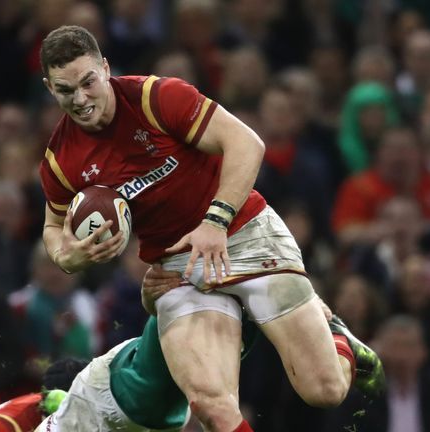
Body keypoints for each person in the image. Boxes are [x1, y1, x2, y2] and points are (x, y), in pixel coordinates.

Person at [38, 25, 384, 432]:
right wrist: (67, 256)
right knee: (210, 405)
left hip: (244, 232)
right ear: (49, 87)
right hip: (177, 269)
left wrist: (215, 220)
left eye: (88, 82)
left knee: (324, 390)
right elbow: (53, 226)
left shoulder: (155, 98)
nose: (80, 99)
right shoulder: (61, 160)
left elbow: (246, 143)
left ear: (106, 68)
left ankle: (337, 334)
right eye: (65, 90)